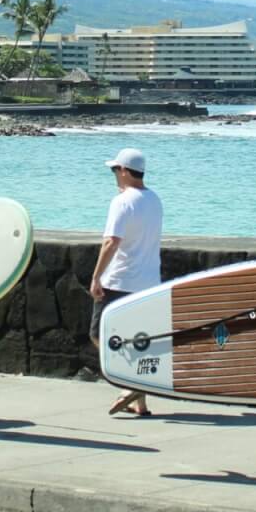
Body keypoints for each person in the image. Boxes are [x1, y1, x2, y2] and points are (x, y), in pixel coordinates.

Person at [90, 146, 163, 417]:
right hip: (149, 282)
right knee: (135, 339)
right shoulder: (154, 199)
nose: (113, 175)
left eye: (114, 170)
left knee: (99, 334)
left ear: (124, 171)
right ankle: (139, 402)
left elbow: (111, 241)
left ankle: (128, 381)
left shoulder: (122, 202)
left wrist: (97, 276)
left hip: (119, 282)